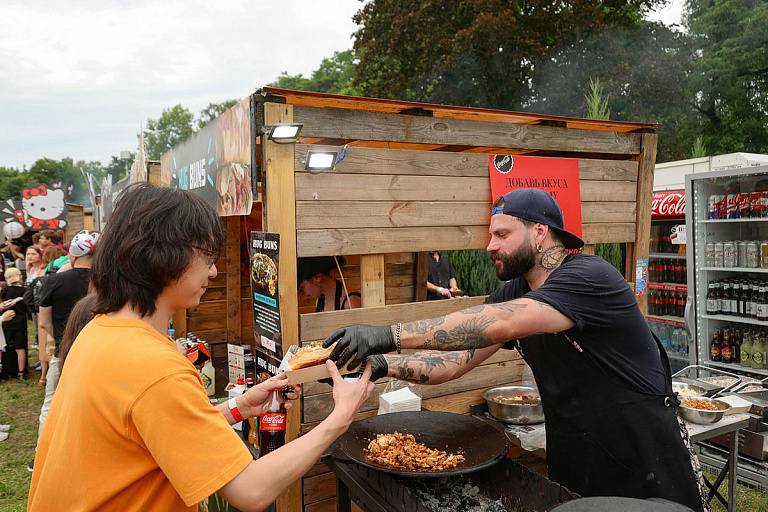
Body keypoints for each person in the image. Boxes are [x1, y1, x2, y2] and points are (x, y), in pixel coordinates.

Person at [323, 188, 708, 512]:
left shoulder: (589, 277)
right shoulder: (516, 291)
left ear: (540, 232)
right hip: (577, 454)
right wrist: (379, 364)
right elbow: (456, 360)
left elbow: (499, 323)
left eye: (502, 234)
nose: (490, 245)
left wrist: (387, 334)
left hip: (644, 457)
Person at [28, 183, 374, 512]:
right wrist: (340, 416)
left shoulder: (101, 329)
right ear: (162, 255)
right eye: (206, 256)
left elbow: (154, 431)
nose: (213, 272)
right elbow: (251, 490)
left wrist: (238, 407)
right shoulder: (153, 365)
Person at [28, 230, 98, 471]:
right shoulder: (107, 281)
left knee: (51, 403)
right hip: (100, 353)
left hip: (64, 350)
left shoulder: (54, 281)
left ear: (73, 256)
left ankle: (41, 456)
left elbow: (44, 322)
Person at [0, 267, 28, 380]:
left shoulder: (5, 291)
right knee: (20, 348)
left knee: (3, 347)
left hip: (7, 321)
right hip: (20, 322)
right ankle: (21, 372)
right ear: (20, 277)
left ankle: (3, 367)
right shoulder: (25, 291)